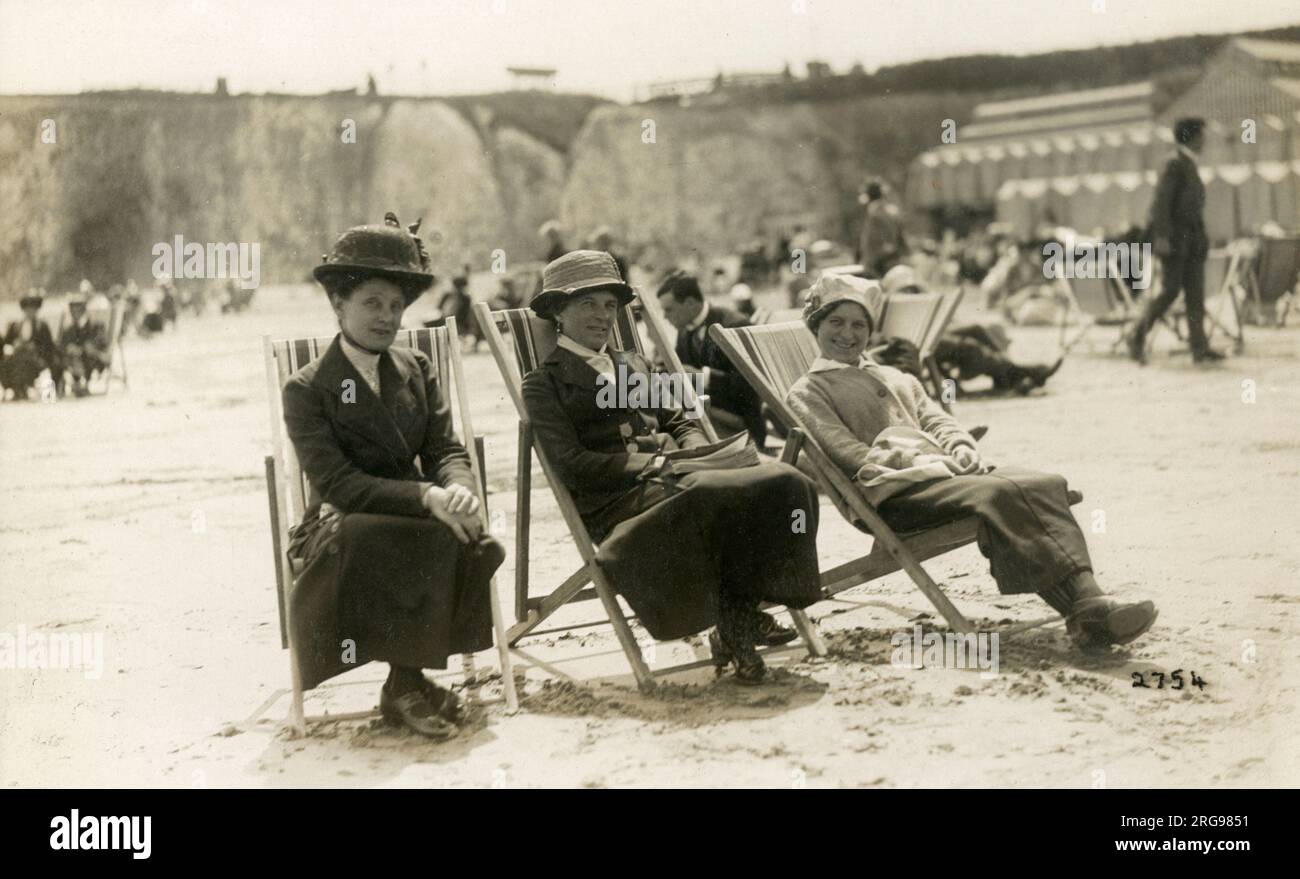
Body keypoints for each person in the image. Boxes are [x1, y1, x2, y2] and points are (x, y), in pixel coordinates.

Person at [786, 273, 1158, 650]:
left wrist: (960, 445)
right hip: (893, 496)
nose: (848, 334)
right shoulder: (809, 390)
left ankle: (1087, 610)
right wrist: (914, 459)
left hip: (940, 477)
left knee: (1043, 483)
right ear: (816, 325)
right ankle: (1088, 611)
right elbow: (842, 450)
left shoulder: (893, 374)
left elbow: (935, 419)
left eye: (859, 324)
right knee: (1001, 494)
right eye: (836, 322)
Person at [522, 251, 823, 682]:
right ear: (557, 312)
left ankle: (746, 607)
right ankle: (736, 620)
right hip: (619, 500)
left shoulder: (631, 364)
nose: (602, 315)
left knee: (787, 481)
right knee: (708, 496)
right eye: (587, 304)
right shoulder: (544, 383)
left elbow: (679, 419)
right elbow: (571, 464)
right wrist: (657, 463)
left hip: (682, 475)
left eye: (610, 305)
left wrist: (697, 453)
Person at [281, 213, 506, 738]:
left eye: (395, 306)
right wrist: (427, 495)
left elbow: (446, 447)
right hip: (340, 524)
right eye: (371, 303)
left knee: (468, 533)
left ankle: (405, 682)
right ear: (338, 305)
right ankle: (409, 686)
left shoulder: (414, 368)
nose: (386, 318)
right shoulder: (308, 388)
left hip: (419, 509)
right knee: (381, 533)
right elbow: (339, 484)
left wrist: (458, 488)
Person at [1126, 118, 1224, 364]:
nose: (1205, 141)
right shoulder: (1174, 164)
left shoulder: (1188, 164)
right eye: (1201, 136)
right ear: (1191, 137)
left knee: (1195, 294)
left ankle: (1199, 348)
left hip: (1192, 242)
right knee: (1170, 290)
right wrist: (1161, 238)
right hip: (1175, 241)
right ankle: (1136, 336)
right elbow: (1161, 204)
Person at [881, 265, 1061, 395]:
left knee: (976, 329)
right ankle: (1019, 373)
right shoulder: (888, 304)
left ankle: (1007, 375)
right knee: (969, 347)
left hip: (921, 334)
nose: (911, 294)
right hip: (909, 341)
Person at [656, 271, 768, 449]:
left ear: (690, 304)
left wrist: (702, 376)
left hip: (742, 428)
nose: (664, 317)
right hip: (706, 420)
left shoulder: (734, 324)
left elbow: (753, 385)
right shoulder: (684, 328)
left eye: (669, 309)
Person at [2, 293, 59, 400]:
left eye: (33, 309)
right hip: (17, 358)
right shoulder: (15, 325)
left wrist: (34, 348)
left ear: (37, 310)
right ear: (23, 309)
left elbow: (49, 346)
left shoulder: (42, 326)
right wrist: (14, 345)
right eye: (27, 308)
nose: (30, 312)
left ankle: (24, 388)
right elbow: (6, 343)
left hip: (36, 359)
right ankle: (17, 389)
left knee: (29, 363)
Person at [58, 292, 111, 397]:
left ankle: (81, 384)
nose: (74, 313)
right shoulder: (70, 329)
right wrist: (70, 348)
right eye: (72, 310)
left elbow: (100, 344)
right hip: (75, 359)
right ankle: (77, 384)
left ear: (83, 310)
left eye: (77, 309)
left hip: (94, 358)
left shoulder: (96, 326)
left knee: (85, 353)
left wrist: (81, 349)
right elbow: (62, 345)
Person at [858, 179, 908, 278]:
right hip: (894, 258)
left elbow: (871, 241)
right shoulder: (892, 210)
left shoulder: (874, 212)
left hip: (879, 262)